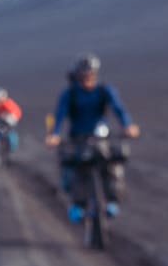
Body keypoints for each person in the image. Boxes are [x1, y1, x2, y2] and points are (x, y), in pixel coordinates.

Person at [42, 53, 139, 220]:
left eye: (91, 73)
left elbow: (119, 109)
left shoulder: (104, 90)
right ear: (78, 74)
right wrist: (54, 135)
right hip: (78, 137)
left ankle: (112, 201)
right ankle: (76, 204)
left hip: (101, 136)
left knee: (112, 164)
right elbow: (59, 115)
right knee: (74, 167)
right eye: (84, 73)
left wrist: (128, 126)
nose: (88, 76)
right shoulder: (70, 93)